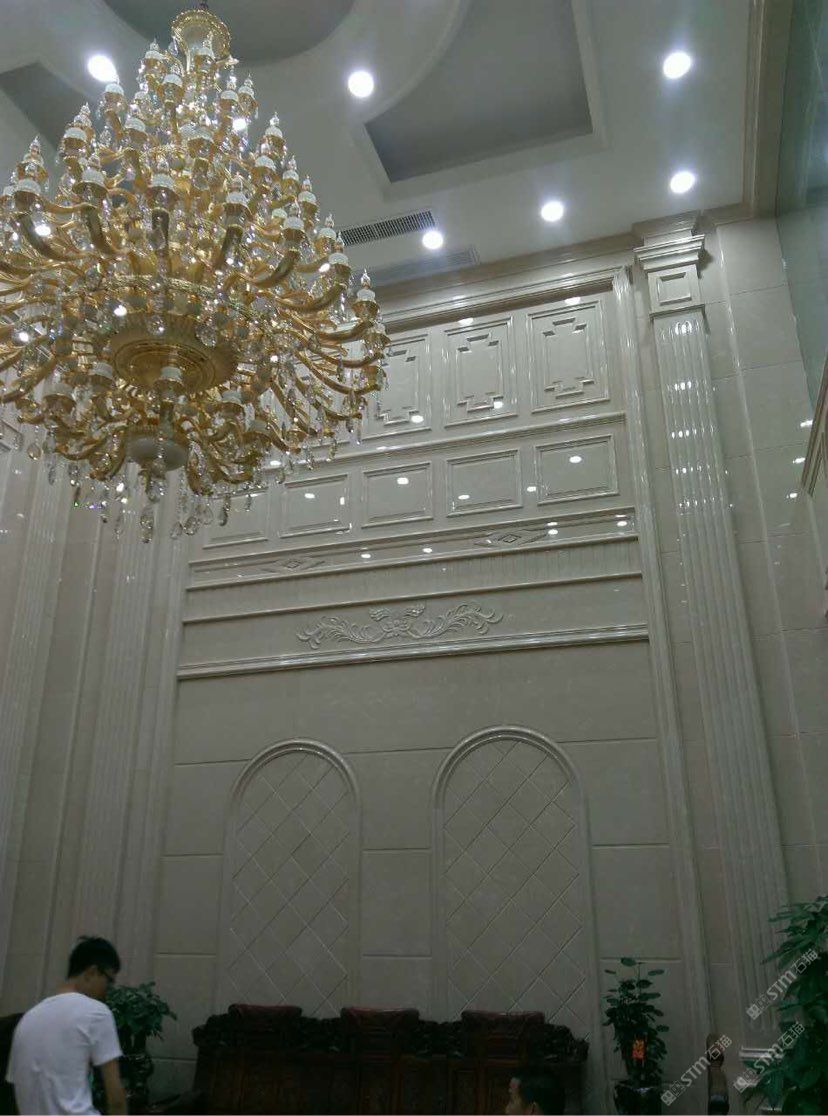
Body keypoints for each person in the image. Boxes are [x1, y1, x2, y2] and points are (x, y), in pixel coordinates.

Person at [6, 936, 127, 1115]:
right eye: (109, 981)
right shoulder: (96, 1013)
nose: (107, 990)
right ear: (92, 972)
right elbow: (116, 1099)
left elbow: (16, 1087)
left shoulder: (28, 1019)